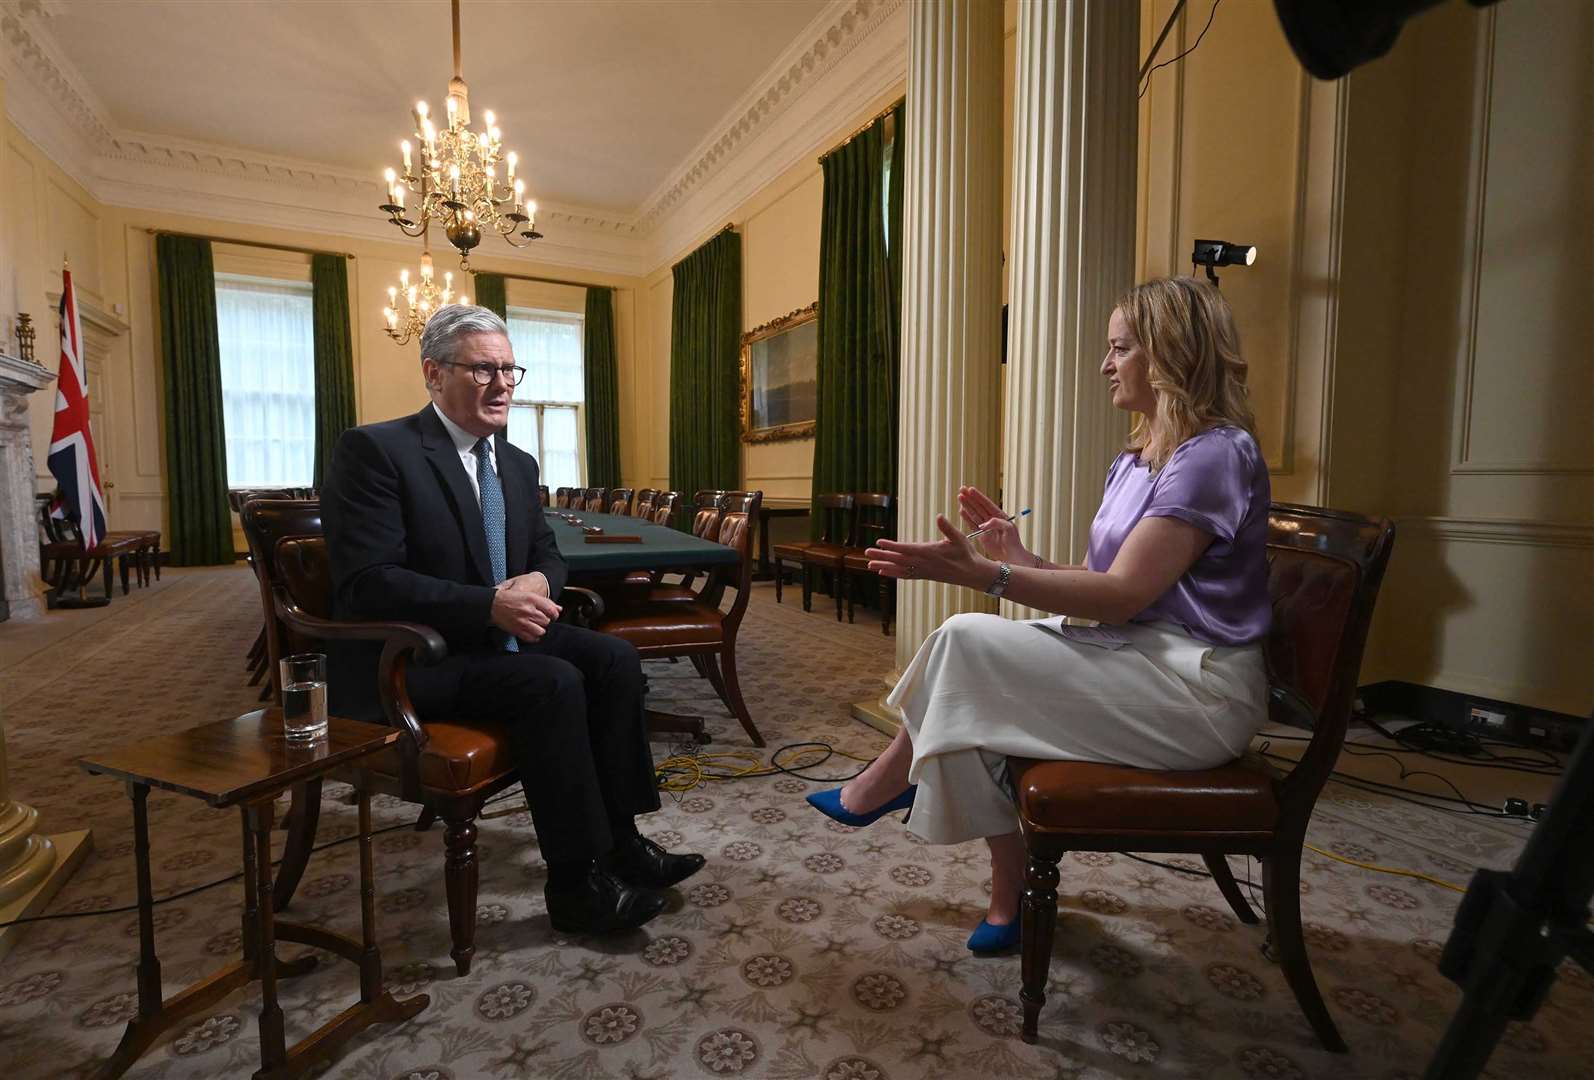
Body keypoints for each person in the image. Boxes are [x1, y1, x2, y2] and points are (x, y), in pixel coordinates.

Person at [807, 277, 1272, 954]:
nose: (1105, 364)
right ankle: (1003, 888)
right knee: (966, 663)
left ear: (1169, 352)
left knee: (966, 641)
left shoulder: (1215, 455)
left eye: (1120, 348)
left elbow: (1122, 597)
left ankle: (890, 781)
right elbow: (1111, 584)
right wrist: (1022, 558)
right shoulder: (1137, 459)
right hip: (1141, 658)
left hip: (1198, 692)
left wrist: (987, 576)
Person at [322, 304, 703, 935]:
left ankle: (621, 842)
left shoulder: (517, 463)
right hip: (413, 658)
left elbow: (547, 556)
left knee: (614, 657)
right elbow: (367, 583)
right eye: (482, 370)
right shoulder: (376, 451)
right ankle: (576, 885)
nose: (502, 385)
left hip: (497, 638)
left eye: (509, 369)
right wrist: (486, 604)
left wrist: (538, 582)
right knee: (553, 682)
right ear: (433, 374)